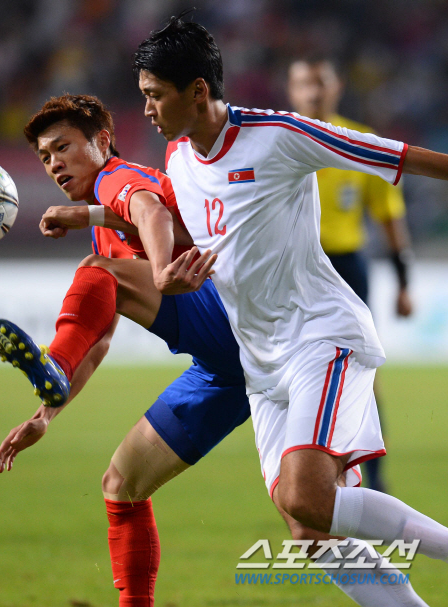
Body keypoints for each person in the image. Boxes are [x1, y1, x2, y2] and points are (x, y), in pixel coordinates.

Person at [131, 15, 448, 605]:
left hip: (319, 337)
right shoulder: (177, 159)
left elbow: (397, 155)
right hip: (261, 363)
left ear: (197, 90)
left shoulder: (278, 134)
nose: (146, 109)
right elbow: (169, 220)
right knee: (310, 534)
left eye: (155, 94)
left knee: (307, 498)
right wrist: (98, 225)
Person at [0, 93, 252, 607]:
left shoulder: (116, 178)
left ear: (103, 141)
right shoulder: (104, 231)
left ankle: (52, 363)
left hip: (234, 319)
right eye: (45, 157)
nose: (54, 163)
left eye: (63, 147)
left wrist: (159, 269)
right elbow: (98, 341)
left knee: (96, 270)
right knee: (122, 485)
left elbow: (151, 211)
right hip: (226, 371)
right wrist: (45, 415)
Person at [287, 57, 414, 492]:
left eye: (320, 83)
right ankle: (307, 479)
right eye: (304, 83)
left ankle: (373, 480)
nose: (313, 92)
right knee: (289, 373)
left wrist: (404, 283)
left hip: (345, 267)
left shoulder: (362, 142)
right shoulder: (277, 141)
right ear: (291, 90)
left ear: (337, 86)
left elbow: (390, 217)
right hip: (292, 269)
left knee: (362, 373)